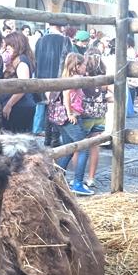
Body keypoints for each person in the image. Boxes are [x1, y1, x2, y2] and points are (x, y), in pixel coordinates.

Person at [48, 52, 93, 196]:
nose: (86, 67)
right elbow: (67, 94)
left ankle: (57, 178)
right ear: (77, 66)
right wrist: (70, 113)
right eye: (84, 64)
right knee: (83, 147)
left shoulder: (68, 77)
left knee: (69, 148)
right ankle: (78, 182)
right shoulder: (74, 79)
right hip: (70, 118)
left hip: (64, 118)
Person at [35, 22, 72, 144]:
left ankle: (47, 137)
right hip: (58, 78)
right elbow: (68, 62)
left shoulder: (40, 41)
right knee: (57, 107)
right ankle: (55, 139)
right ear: (61, 26)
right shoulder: (65, 41)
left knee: (47, 108)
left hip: (42, 79)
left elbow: (37, 61)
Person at [81, 49, 109, 188]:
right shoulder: (104, 78)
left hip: (85, 115)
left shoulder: (83, 77)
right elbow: (115, 93)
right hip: (100, 115)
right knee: (94, 146)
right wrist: (103, 99)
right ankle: (91, 178)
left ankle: (78, 177)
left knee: (79, 147)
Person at [0, 31, 36, 133]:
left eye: (9, 46)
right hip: (18, 105)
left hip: (19, 106)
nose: (6, 48)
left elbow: (23, 86)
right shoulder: (17, 60)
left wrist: (9, 105)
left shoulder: (21, 60)